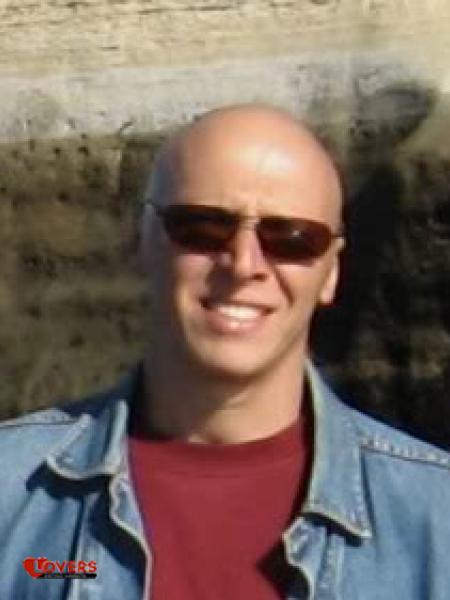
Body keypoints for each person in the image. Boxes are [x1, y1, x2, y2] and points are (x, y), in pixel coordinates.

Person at [0, 104, 449, 600]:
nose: (243, 264)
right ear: (142, 239)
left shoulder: (435, 520)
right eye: (203, 228)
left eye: (292, 239)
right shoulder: (13, 493)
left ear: (332, 271)